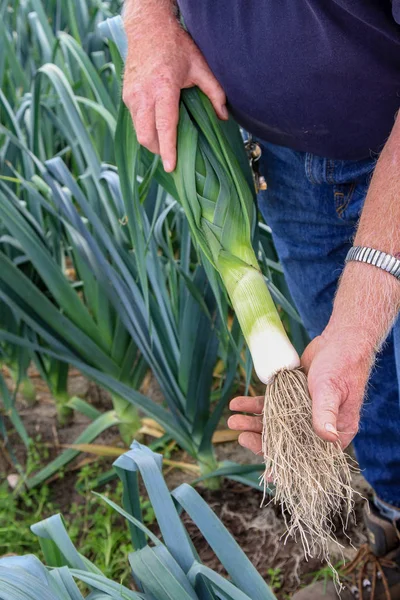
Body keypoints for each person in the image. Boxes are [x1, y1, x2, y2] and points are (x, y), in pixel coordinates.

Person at [122, 1, 400, 597]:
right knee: (353, 385)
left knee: (352, 348)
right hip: (280, 162)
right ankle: (395, 520)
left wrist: (357, 318)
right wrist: (148, 20)